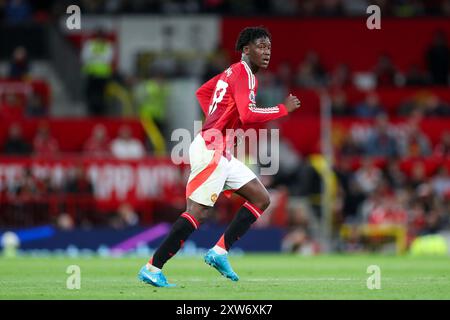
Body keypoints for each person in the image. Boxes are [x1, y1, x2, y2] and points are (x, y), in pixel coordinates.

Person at [138, 26, 301, 287]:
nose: (267, 52)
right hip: (211, 148)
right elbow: (248, 115)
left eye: (269, 47)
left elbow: (202, 93)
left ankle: (220, 251)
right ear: (245, 49)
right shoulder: (245, 74)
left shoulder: (230, 72)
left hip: (220, 148)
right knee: (197, 213)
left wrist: (219, 119)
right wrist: (283, 109)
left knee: (261, 198)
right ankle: (153, 267)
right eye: (261, 46)